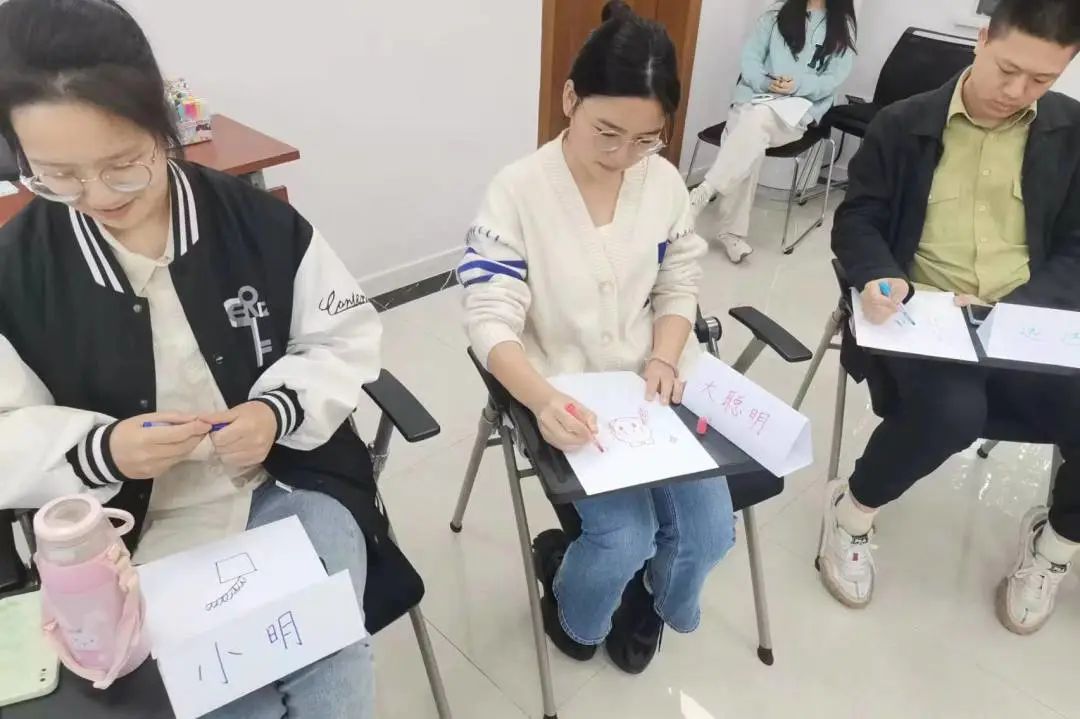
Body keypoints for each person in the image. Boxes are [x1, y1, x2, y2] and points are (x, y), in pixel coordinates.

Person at [0, 1, 407, 715]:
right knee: (230, 701)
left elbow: (343, 338)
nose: (96, 197)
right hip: (125, 528)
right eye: (57, 176)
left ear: (163, 127)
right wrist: (102, 449)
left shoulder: (259, 225)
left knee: (330, 662)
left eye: (123, 165)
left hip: (285, 483)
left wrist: (275, 412)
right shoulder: (15, 273)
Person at [459, 0, 734, 675]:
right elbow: (489, 317)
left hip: (651, 386)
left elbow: (679, 280)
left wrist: (665, 354)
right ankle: (575, 612)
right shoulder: (517, 191)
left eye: (646, 139)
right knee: (622, 538)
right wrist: (541, 399)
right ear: (569, 99)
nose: (622, 156)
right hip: (562, 391)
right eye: (606, 133)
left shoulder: (661, 181)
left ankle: (649, 599)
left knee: (709, 533)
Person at [820, 0, 1080, 635]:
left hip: (1028, 316)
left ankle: (1054, 548)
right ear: (983, 39)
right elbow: (859, 220)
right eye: (1008, 69)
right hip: (928, 319)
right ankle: (851, 513)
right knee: (952, 410)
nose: (1017, 92)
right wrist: (878, 274)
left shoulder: (1072, 132)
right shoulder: (903, 123)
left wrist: (1018, 310)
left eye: (1042, 79)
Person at [689, 0, 856, 263]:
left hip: (796, 110)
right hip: (754, 98)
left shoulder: (841, 28)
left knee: (753, 126)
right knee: (752, 138)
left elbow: (832, 80)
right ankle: (731, 233)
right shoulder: (775, 15)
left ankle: (704, 191)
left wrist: (796, 85)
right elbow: (751, 59)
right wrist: (766, 83)